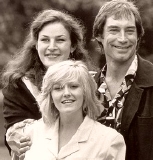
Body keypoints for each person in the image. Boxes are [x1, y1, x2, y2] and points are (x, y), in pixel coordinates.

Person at [2, 9, 90, 160]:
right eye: (45, 40)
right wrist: (16, 138)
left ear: (73, 46)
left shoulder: (89, 82)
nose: (51, 47)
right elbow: (15, 132)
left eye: (60, 40)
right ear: (36, 45)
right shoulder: (18, 85)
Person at [9, 60, 125, 160]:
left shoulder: (110, 140)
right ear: (51, 96)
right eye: (58, 88)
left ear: (86, 93)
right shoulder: (32, 133)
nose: (66, 93)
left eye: (73, 86)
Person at [92, 0, 153, 160]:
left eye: (129, 31)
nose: (122, 39)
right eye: (114, 30)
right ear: (99, 36)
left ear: (138, 36)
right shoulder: (87, 88)